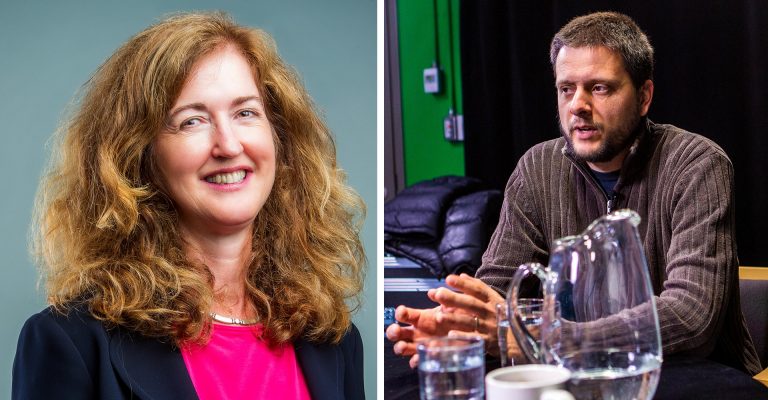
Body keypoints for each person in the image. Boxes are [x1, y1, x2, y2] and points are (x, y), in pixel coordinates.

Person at [13, 12, 366, 399]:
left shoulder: (331, 338)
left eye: (245, 113)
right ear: (139, 156)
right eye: (192, 121)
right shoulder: (72, 342)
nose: (229, 146)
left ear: (279, 138)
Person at [386, 11, 761, 375]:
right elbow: (497, 291)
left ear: (644, 96)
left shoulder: (697, 164)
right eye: (567, 89)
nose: (578, 105)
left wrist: (550, 339)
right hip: (575, 374)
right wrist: (457, 321)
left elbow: (691, 315)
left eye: (599, 88)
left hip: (691, 374)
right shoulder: (537, 168)